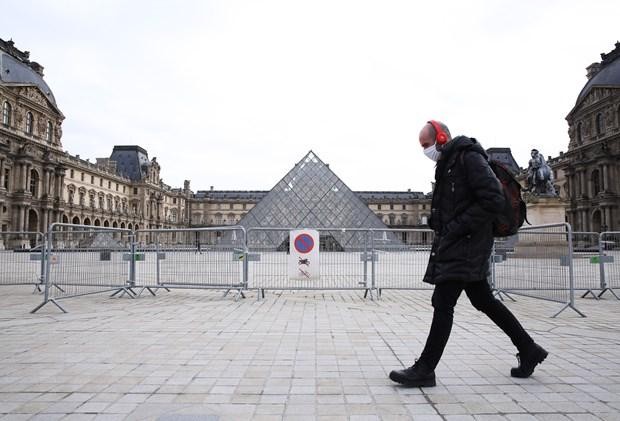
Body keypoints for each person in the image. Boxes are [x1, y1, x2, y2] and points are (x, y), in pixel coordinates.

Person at [389, 120, 548, 388]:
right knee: (484, 300)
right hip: (461, 242)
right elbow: (459, 202)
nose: (425, 151)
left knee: (443, 302)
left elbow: (493, 199)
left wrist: (454, 227)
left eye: (427, 145)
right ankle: (529, 349)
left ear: (441, 137)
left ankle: (425, 369)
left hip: (466, 244)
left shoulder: (468, 157)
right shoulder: (449, 163)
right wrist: (438, 221)